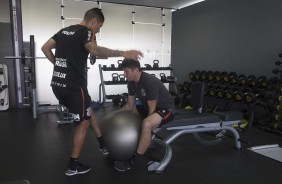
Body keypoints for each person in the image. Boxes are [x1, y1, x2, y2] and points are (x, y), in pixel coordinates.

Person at [41, 8, 143, 176]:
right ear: (94, 21)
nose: (98, 30)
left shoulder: (64, 31)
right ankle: (73, 166)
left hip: (58, 84)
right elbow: (94, 50)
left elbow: (45, 48)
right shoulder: (87, 32)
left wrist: (58, 66)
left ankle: (102, 144)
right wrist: (123, 53)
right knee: (83, 123)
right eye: (100, 26)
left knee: (87, 110)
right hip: (75, 87)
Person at [114, 58, 175, 172]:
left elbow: (151, 109)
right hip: (150, 108)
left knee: (146, 124)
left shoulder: (149, 81)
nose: (124, 74)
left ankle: (135, 160)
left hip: (165, 109)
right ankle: (135, 144)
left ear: (136, 70)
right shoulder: (131, 83)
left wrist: (145, 127)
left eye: (126, 71)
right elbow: (130, 106)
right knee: (130, 115)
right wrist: (115, 115)